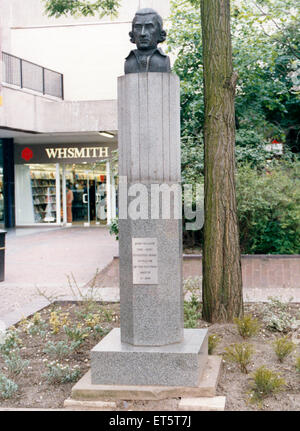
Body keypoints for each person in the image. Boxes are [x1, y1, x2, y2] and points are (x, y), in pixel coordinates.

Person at [125, 8, 171, 74]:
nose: (142, 33)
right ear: (132, 34)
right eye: (138, 27)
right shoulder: (129, 61)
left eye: (149, 27)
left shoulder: (164, 60)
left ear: (160, 33)